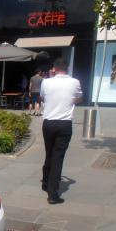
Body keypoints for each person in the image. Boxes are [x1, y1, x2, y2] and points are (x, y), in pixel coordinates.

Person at [40, 58, 82, 205]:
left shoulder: (46, 82)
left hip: (49, 122)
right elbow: (78, 99)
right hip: (64, 123)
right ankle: (52, 194)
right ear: (68, 68)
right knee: (58, 157)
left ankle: (45, 182)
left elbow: (42, 97)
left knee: (49, 154)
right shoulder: (75, 82)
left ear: (54, 68)